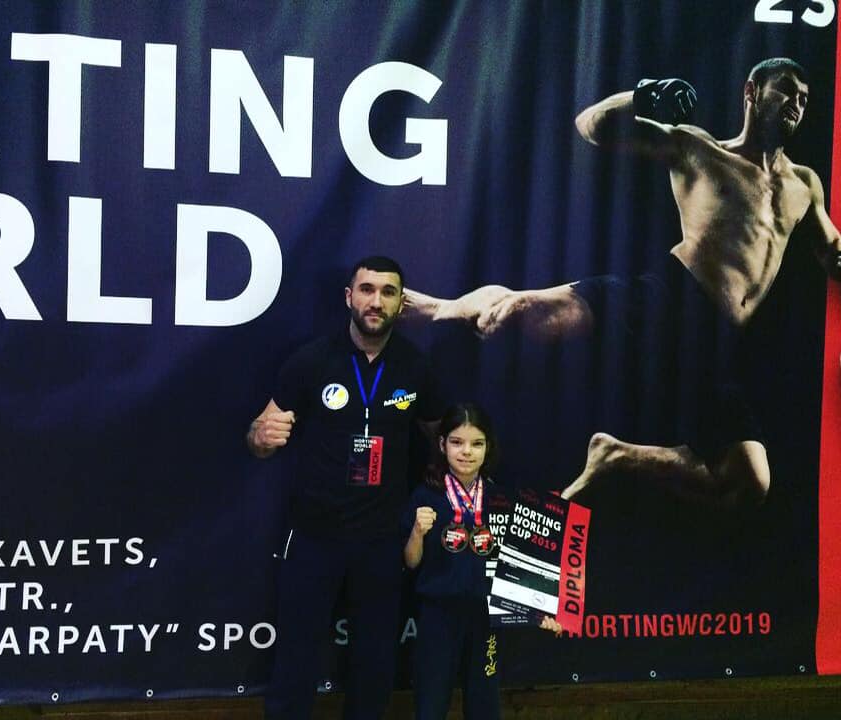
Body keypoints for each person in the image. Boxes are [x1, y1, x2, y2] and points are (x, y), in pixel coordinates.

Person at [404, 58, 841, 509]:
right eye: (786, 89)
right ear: (751, 91)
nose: (796, 103)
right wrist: (644, 95)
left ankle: (616, 457)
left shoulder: (805, 184)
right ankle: (435, 309)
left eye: (804, 98)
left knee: (750, 479)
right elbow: (592, 126)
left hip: (717, 341)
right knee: (509, 316)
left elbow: (830, 246)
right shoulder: (699, 149)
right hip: (667, 297)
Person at [248, 255, 444, 720]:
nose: (376, 301)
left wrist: (446, 469)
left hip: (382, 538)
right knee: (296, 658)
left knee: (374, 663)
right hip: (315, 535)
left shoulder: (416, 367)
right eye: (367, 289)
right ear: (349, 297)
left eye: (388, 292)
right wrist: (262, 436)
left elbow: (440, 435)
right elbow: (259, 435)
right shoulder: (312, 360)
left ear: (401, 303)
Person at [403, 403, 559, 720]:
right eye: (457, 442)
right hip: (438, 614)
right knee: (431, 702)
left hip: (486, 617)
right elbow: (411, 562)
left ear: (488, 448)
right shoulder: (426, 496)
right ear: (442, 444)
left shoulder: (500, 499)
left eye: (477, 443)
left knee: (484, 704)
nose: (466, 452)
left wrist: (540, 607)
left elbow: (518, 566)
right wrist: (417, 532)